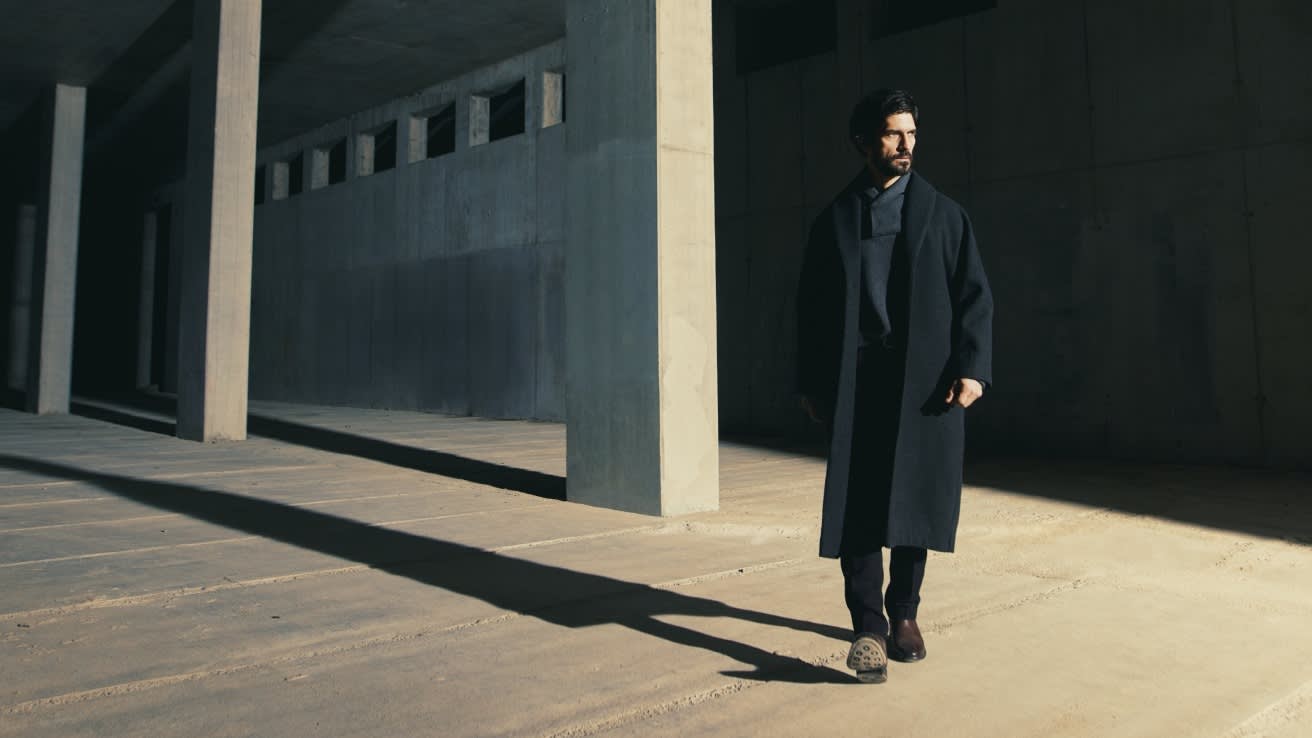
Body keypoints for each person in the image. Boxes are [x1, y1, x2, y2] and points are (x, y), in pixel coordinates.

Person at [795, 89, 993, 684]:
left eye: (911, 132)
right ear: (863, 141)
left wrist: (974, 369)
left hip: (925, 381)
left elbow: (974, 297)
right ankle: (867, 625)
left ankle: (904, 615)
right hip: (857, 378)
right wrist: (810, 381)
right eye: (892, 133)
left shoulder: (944, 215)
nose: (906, 144)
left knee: (914, 498)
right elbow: (810, 308)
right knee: (860, 502)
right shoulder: (835, 220)